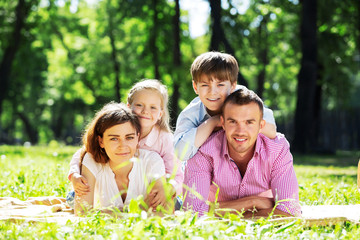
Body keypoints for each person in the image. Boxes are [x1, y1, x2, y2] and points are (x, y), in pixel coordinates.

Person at [182, 88, 301, 217]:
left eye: (249, 122)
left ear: (261, 125)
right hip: (263, 211)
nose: (240, 131)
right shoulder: (204, 151)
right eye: (233, 122)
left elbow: (290, 210)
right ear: (223, 123)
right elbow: (192, 212)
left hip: (218, 214)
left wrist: (221, 213)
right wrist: (253, 202)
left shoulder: (277, 149)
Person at [68, 79, 183, 209]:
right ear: (129, 107)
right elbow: (86, 152)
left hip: (153, 188)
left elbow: (176, 173)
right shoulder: (118, 127)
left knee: (171, 205)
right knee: (76, 197)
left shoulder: (165, 139)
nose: (145, 111)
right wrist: (74, 174)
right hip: (115, 186)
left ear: (160, 114)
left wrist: (169, 187)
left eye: (153, 107)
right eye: (139, 105)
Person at [174, 51, 277, 162]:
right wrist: (212, 123)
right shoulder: (191, 113)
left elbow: (271, 131)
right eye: (204, 85)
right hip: (207, 166)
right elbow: (180, 153)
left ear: (233, 85)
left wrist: (232, 121)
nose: (212, 92)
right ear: (195, 87)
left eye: (220, 84)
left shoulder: (244, 98)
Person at [74, 102, 168, 215]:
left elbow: (164, 212)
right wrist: (137, 212)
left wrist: (111, 213)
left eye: (129, 137)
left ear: (138, 138)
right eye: (114, 139)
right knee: (71, 200)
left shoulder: (152, 161)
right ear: (101, 141)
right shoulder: (92, 160)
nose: (123, 146)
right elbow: (82, 212)